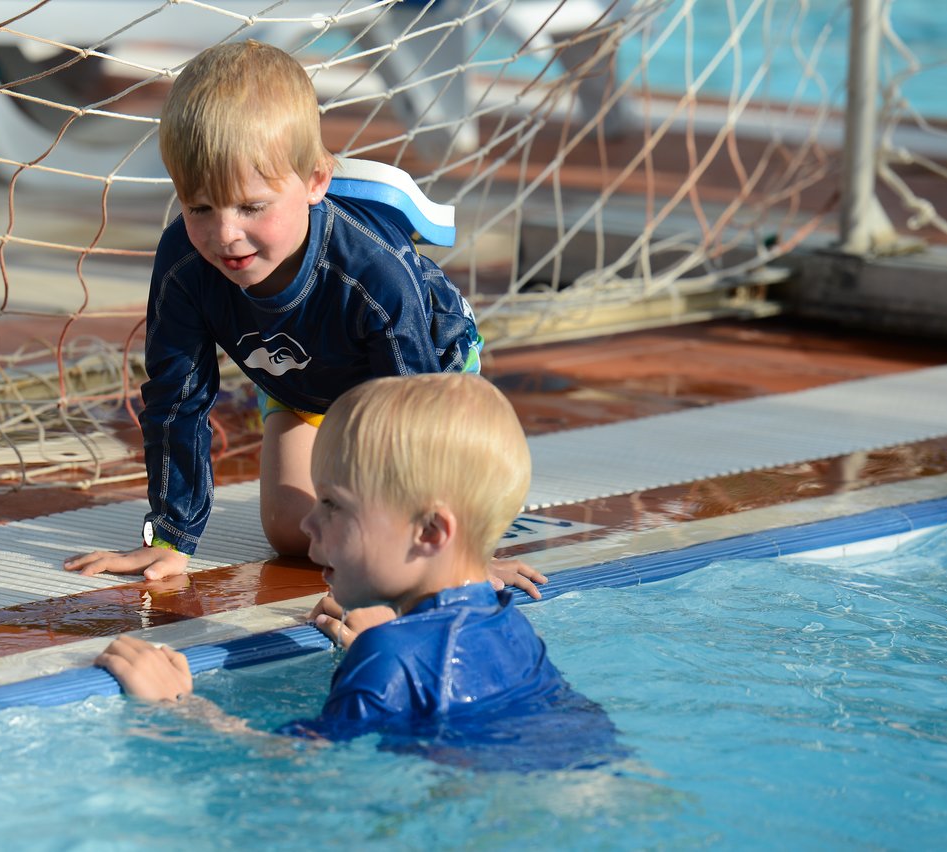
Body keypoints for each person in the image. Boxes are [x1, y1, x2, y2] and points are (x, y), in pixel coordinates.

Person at [63, 39, 543, 600]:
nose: (225, 235)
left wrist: (458, 561)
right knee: (297, 535)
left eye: (251, 206)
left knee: (389, 537)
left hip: (426, 374)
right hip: (300, 383)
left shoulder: (373, 276)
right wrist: (171, 538)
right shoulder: (186, 266)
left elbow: (413, 421)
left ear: (316, 180)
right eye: (199, 207)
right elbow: (176, 397)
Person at [96, 374, 622, 771]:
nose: (306, 521)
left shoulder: (389, 658)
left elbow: (299, 767)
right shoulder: (509, 625)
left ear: (431, 532)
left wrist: (180, 706)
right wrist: (390, 654)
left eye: (332, 504)